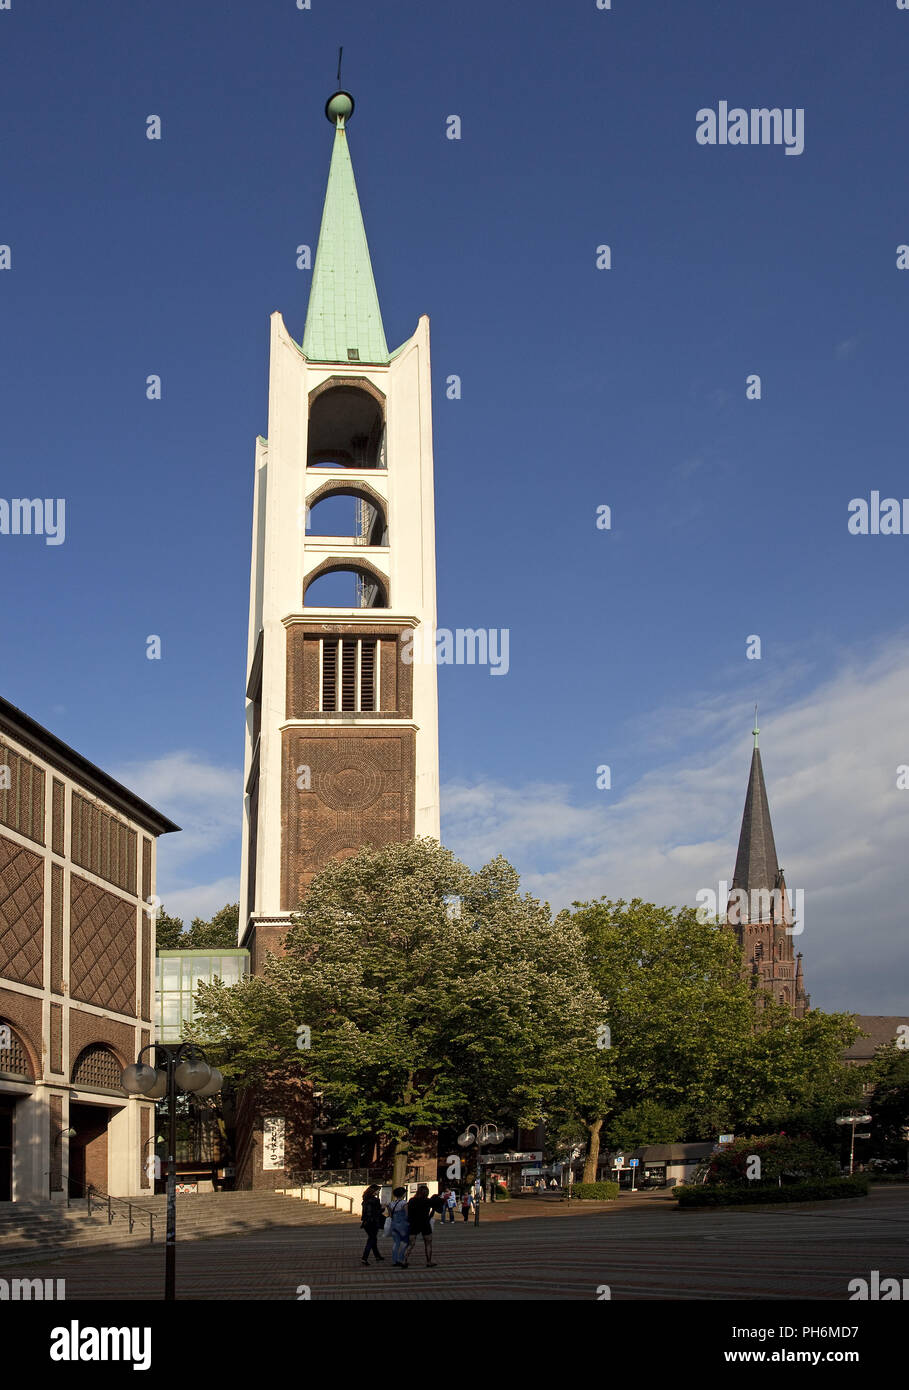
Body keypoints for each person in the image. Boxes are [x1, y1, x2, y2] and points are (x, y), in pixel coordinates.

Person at [406, 1183, 436, 1267]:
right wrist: (429, 1217)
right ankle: (429, 1261)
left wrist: (409, 1219)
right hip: (425, 1223)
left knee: (411, 1243)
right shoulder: (428, 1201)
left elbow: (408, 1211)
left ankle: (404, 1260)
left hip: (414, 1223)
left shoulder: (412, 1200)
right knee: (428, 1243)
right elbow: (433, 1211)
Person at [360, 1183, 385, 1266]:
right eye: (378, 1190)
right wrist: (383, 1209)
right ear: (374, 1191)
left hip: (366, 1223)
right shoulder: (375, 1200)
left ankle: (377, 1255)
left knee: (373, 1239)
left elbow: (366, 1212)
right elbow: (376, 1212)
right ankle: (364, 1258)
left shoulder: (365, 1199)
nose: (378, 1192)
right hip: (373, 1222)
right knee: (371, 1240)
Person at [387, 1186, 410, 1267]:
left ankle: (394, 1260)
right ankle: (401, 1258)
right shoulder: (404, 1203)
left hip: (393, 1225)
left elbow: (389, 1215)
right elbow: (407, 1215)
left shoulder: (391, 1204)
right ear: (403, 1194)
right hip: (403, 1225)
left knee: (396, 1243)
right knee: (405, 1242)